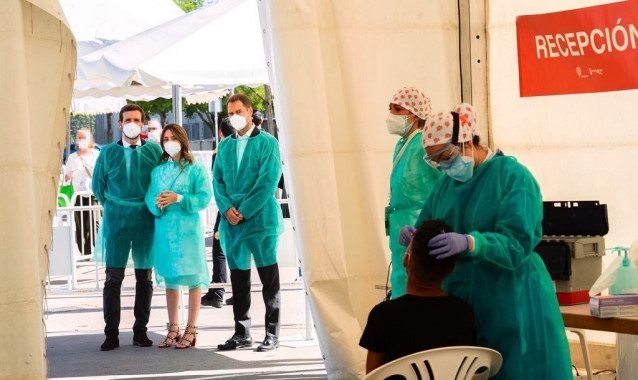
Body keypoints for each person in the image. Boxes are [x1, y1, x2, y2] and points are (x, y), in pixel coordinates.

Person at [400, 103, 572, 379]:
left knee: (515, 368)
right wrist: (415, 234)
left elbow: (517, 243)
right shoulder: (445, 184)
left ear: (466, 141)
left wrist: (471, 243)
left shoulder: (513, 178)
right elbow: (428, 223)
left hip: (512, 296)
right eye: (435, 161)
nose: (443, 166)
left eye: (445, 156)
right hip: (460, 301)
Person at [213, 94, 284, 352]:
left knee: (269, 279)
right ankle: (242, 332)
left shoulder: (267, 143)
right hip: (232, 222)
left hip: (260, 219)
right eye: (230, 112)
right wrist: (226, 209)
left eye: (239, 111)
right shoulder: (225, 146)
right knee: (239, 279)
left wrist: (242, 210)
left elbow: (268, 180)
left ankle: (272, 333)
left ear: (250, 111)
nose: (234, 116)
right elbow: (217, 180)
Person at [360, 219, 476, 374]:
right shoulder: (465, 313)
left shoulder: (382, 316)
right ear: (452, 268)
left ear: (406, 260)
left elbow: (372, 376)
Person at [92, 104, 163, 351]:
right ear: (120, 123)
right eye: (127, 119)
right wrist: (115, 206)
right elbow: (97, 186)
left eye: (136, 119)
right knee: (113, 278)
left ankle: (140, 331)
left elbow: (161, 182)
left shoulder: (155, 151)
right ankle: (111, 333)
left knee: (145, 277)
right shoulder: (108, 153)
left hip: (145, 220)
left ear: (142, 123)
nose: (132, 123)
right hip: (116, 220)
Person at [145, 123, 213, 349]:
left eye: (173, 137)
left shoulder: (196, 168)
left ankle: (191, 329)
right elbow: (150, 197)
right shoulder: (158, 171)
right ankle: (173, 327)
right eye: (165, 139)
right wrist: (159, 204)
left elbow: (204, 196)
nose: (169, 142)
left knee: (193, 276)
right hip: (165, 227)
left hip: (188, 226)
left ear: (182, 140)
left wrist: (180, 198)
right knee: (170, 279)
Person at [384, 87, 442, 299]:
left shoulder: (425, 143)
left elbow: (445, 184)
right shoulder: (403, 144)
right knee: (401, 282)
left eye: (397, 109)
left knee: (417, 288)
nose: (391, 114)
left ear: (416, 115)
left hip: (419, 226)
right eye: (390, 108)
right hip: (401, 226)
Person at [201, 117, 235, 308]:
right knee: (237, 251)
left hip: (226, 206)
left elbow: (218, 181)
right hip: (243, 206)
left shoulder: (220, 151)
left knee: (219, 248)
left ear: (221, 133)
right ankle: (236, 292)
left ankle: (218, 291)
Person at [64, 129, 100, 255]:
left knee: (94, 222)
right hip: (78, 197)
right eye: (79, 137)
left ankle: (95, 250)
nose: (81, 140)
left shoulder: (96, 155)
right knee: (80, 225)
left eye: (84, 137)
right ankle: (85, 251)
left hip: (93, 194)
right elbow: (66, 178)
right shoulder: (72, 157)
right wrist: (70, 174)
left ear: (90, 139)